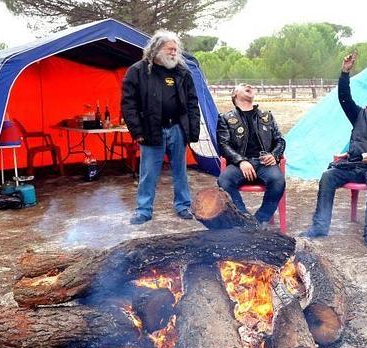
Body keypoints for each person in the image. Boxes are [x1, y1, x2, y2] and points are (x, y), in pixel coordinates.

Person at [301, 51, 367, 251]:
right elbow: (343, 97)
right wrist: (344, 73)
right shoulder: (359, 115)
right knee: (327, 176)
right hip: (353, 164)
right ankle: (320, 226)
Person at [121, 30, 201, 225]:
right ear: (156, 49)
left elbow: (192, 102)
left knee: (180, 171)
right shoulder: (137, 71)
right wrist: (137, 132)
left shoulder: (182, 72)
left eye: (176, 49)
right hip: (151, 129)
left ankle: (183, 206)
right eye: (170, 49)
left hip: (177, 129)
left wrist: (192, 130)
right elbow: (128, 104)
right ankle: (143, 210)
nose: (174, 53)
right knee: (148, 172)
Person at [216, 83, 286, 225]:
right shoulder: (226, 118)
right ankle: (243, 218)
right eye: (242, 86)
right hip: (239, 165)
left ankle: (260, 220)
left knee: (278, 180)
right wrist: (241, 161)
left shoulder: (267, 116)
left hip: (264, 163)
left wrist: (273, 155)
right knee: (224, 180)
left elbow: (280, 141)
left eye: (249, 86)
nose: (248, 85)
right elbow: (223, 145)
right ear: (234, 94)